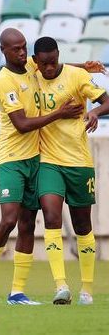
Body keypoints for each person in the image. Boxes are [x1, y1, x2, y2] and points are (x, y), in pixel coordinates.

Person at [0, 29, 85, 305]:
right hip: (11, 159)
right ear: (3, 51)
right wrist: (59, 114)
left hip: (35, 158)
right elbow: (20, 124)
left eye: (23, 47)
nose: (21, 53)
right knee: (9, 220)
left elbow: (53, 68)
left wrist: (82, 68)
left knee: (28, 224)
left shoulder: (30, 65)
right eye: (15, 49)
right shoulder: (5, 80)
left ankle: (16, 292)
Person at [31, 36, 109, 305]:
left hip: (79, 162)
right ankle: (60, 286)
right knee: (51, 217)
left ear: (58, 56)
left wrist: (97, 112)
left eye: (53, 62)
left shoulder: (77, 76)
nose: (49, 69)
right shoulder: (31, 74)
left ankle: (86, 289)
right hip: (49, 161)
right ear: (35, 61)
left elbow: (107, 100)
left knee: (82, 224)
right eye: (44, 64)